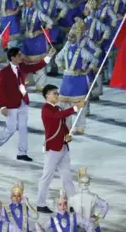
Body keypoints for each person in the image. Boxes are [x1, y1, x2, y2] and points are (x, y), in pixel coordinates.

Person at [0, 47, 56, 162]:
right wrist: (2, 106)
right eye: (19, 55)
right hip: (10, 104)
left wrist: (49, 56)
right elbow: (1, 90)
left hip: (23, 101)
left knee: (23, 128)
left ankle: (22, 153)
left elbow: (37, 66)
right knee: (11, 128)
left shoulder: (22, 67)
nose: (21, 57)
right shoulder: (4, 72)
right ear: (13, 58)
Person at [36, 84, 84, 214]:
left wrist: (67, 135)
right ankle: (40, 204)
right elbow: (57, 117)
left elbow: (62, 124)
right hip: (52, 148)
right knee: (47, 176)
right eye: (54, 93)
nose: (57, 95)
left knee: (67, 177)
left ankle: (73, 203)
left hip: (63, 147)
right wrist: (75, 108)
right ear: (47, 95)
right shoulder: (46, 109)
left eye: (57, 93)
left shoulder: (57, 108)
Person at [55, 19, 98, 135]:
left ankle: (80, 126)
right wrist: (60, 66)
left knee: (80, 106)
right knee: (65, 105)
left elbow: (94, 60)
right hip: (66, 80)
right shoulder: (65, 48)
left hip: (79, 81)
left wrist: (85, 70)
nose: (70, 38)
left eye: (73, 36)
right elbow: (57, 58)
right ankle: (67, 126)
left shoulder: (81, 50)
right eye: (69, 36)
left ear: (78, 37)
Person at [20, 0, 53, 92]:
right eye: (27, 0)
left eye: (30, 1)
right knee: (26, 62)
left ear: (34, 2)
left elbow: (50, 22)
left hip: (37, 42)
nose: (28, 2)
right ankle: (30, 80)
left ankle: (40, 85)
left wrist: (40, 31)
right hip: (27, 41)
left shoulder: (38, 12)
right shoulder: (24, 11)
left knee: (39, 64)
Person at [69, 168, 109, 232]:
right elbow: (105, 205)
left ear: (79, 184)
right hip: (90, 222)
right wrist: (98, 217)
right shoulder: (94, 197)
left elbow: (69, 210)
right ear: (88, 183)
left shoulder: (73, 197)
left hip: (77, 222)